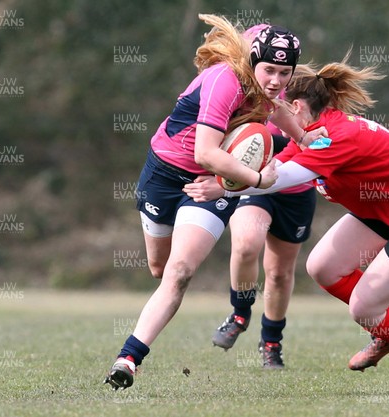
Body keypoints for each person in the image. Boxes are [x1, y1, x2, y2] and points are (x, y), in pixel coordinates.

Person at [184, 55, 389, 394]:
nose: (274, 114)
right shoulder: (310, 134)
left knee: (364, 307)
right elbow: (277, 165)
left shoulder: (332, 137)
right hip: (385, 209)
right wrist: (232, 172)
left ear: (296, 106)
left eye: (278, 106)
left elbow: (281, 179)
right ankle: (386, 329)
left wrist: (224, 182)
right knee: (322, 267)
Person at [103, 14, 312, 390]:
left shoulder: (270, 86)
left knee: (180, 272)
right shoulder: (225, 82)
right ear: (251, 62)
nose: (277, 81)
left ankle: (128, 359)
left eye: (285, 73)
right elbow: (205, 152)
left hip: (210, 184)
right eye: (269, 71)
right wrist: (259, 179)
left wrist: (306, 138)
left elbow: (277, 110)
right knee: (160, 268)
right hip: (165, 176)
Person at [211, 122, 316, 369]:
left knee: (279, 274)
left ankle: (271, 342)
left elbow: (317, 145)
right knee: (247, 244)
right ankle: (240, 313)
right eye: (273, 77)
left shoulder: (315, 93)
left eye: (283, 78)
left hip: (296, 193)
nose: (277, 80)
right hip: (253, 184)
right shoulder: (248, 92)